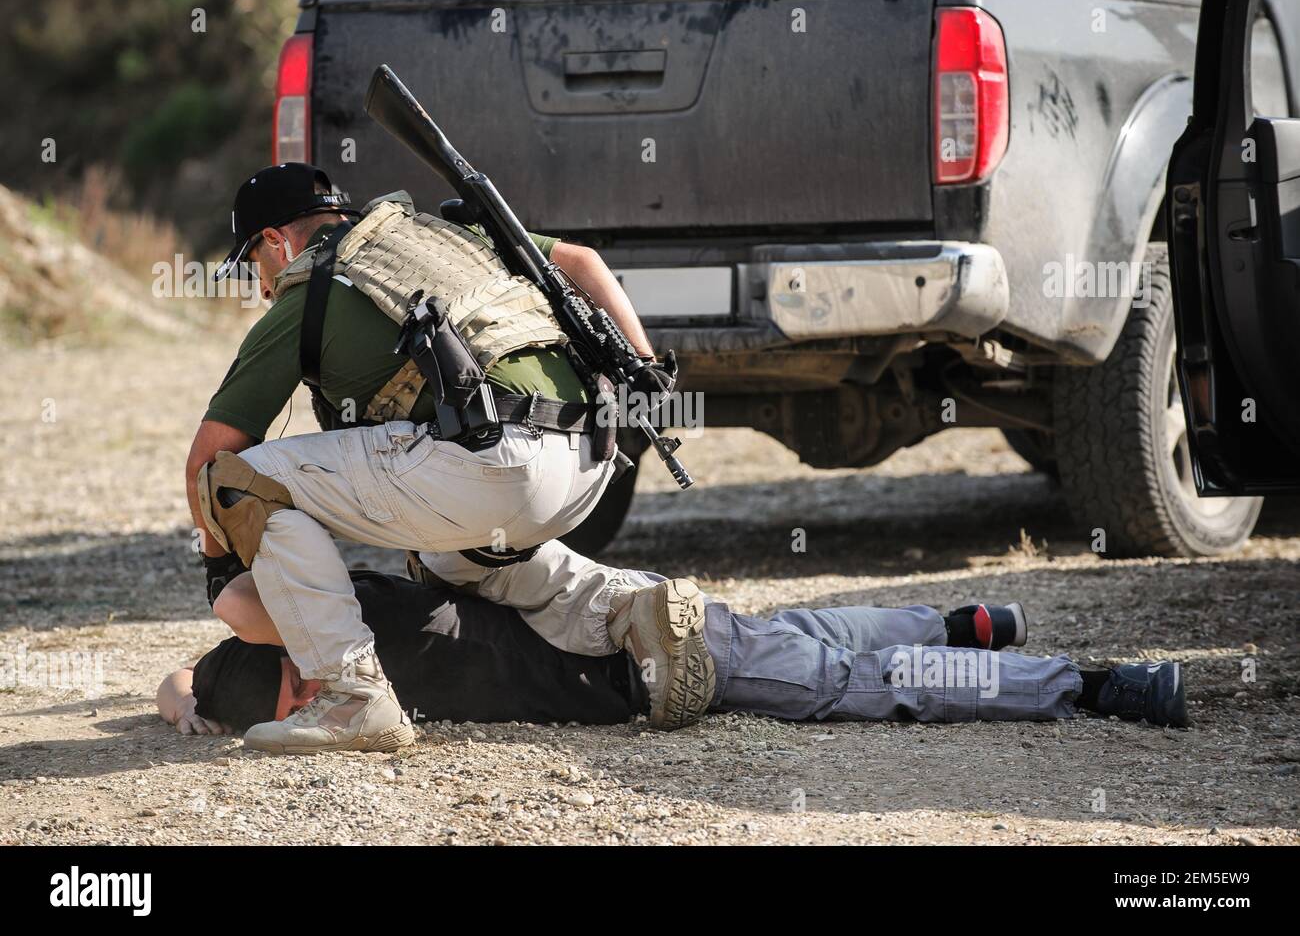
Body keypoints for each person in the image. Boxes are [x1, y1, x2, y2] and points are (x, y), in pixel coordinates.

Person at [184, 163, 698, 755]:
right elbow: (580, 259)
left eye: (254, 265)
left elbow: (209, 458)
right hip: (589, 459)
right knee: (442, 556)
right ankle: (625, 609)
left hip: (497, 466)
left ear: (276, 241)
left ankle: (354, 696)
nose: (263, 285)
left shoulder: (309, 294)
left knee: (245, 484)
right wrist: (641, 365)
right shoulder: (444, 234)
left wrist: (220, 572)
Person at [157, 552, 1188, 739]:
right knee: (798, 637)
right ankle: (965, 623)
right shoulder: (277, 679)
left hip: (637, 649)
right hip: (639, 633)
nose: (310, 703)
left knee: (848, 686)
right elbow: (181, 674)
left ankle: (1091, 687)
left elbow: (236, 605)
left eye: (296, 684)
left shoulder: (362, 609)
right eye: (289, 711)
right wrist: (181, 703)